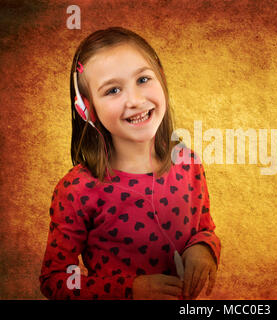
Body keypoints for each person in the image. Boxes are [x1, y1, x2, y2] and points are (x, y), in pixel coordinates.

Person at [39, 27, 221, 300]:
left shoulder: (188, 161)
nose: (135, 101)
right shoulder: (77, 190)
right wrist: (130, 291)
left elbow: (204, 228)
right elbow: (54, 280)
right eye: (113, 90)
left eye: (143, 79)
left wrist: (203, 248)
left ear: (161, 79)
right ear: (86, 109)